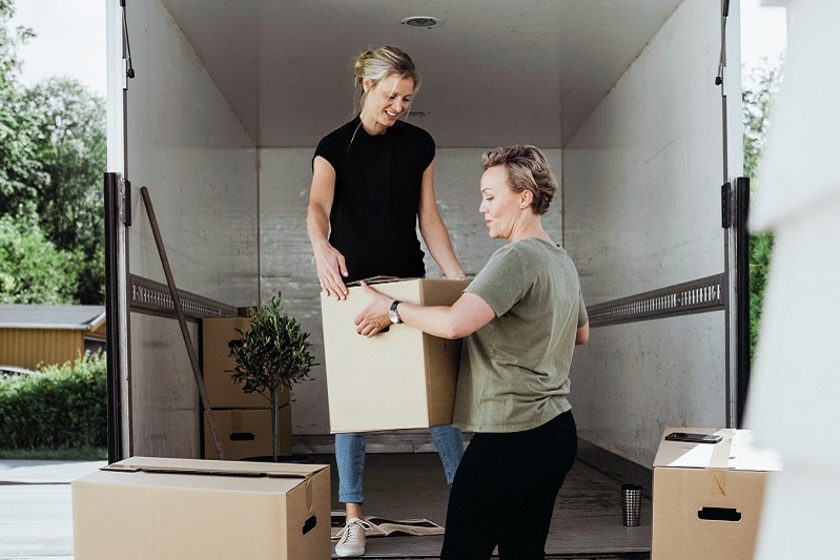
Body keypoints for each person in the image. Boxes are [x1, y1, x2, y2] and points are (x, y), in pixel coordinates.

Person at [355, 144, 590, 560]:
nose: (482, 207)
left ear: (524, 197)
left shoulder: (516, 257)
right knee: (523, 553)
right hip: (556, 432)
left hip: (511, 436)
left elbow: (453, 324)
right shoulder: (561, 261)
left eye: (489, 195)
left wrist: (391, 309)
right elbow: (581, 333)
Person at [306, 45, 467, 558]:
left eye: (407, 97)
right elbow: (316, 206)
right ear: (366, 86)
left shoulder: (420, 144)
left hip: (408, 284)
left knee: (438, 404)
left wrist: (458, 278)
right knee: (353, 410)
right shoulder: (333, 147)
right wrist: (320, 245)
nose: (399, 105)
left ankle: (470, 505)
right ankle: (353, 521)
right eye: (391, 94)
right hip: (352, 290)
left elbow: (430, 217)